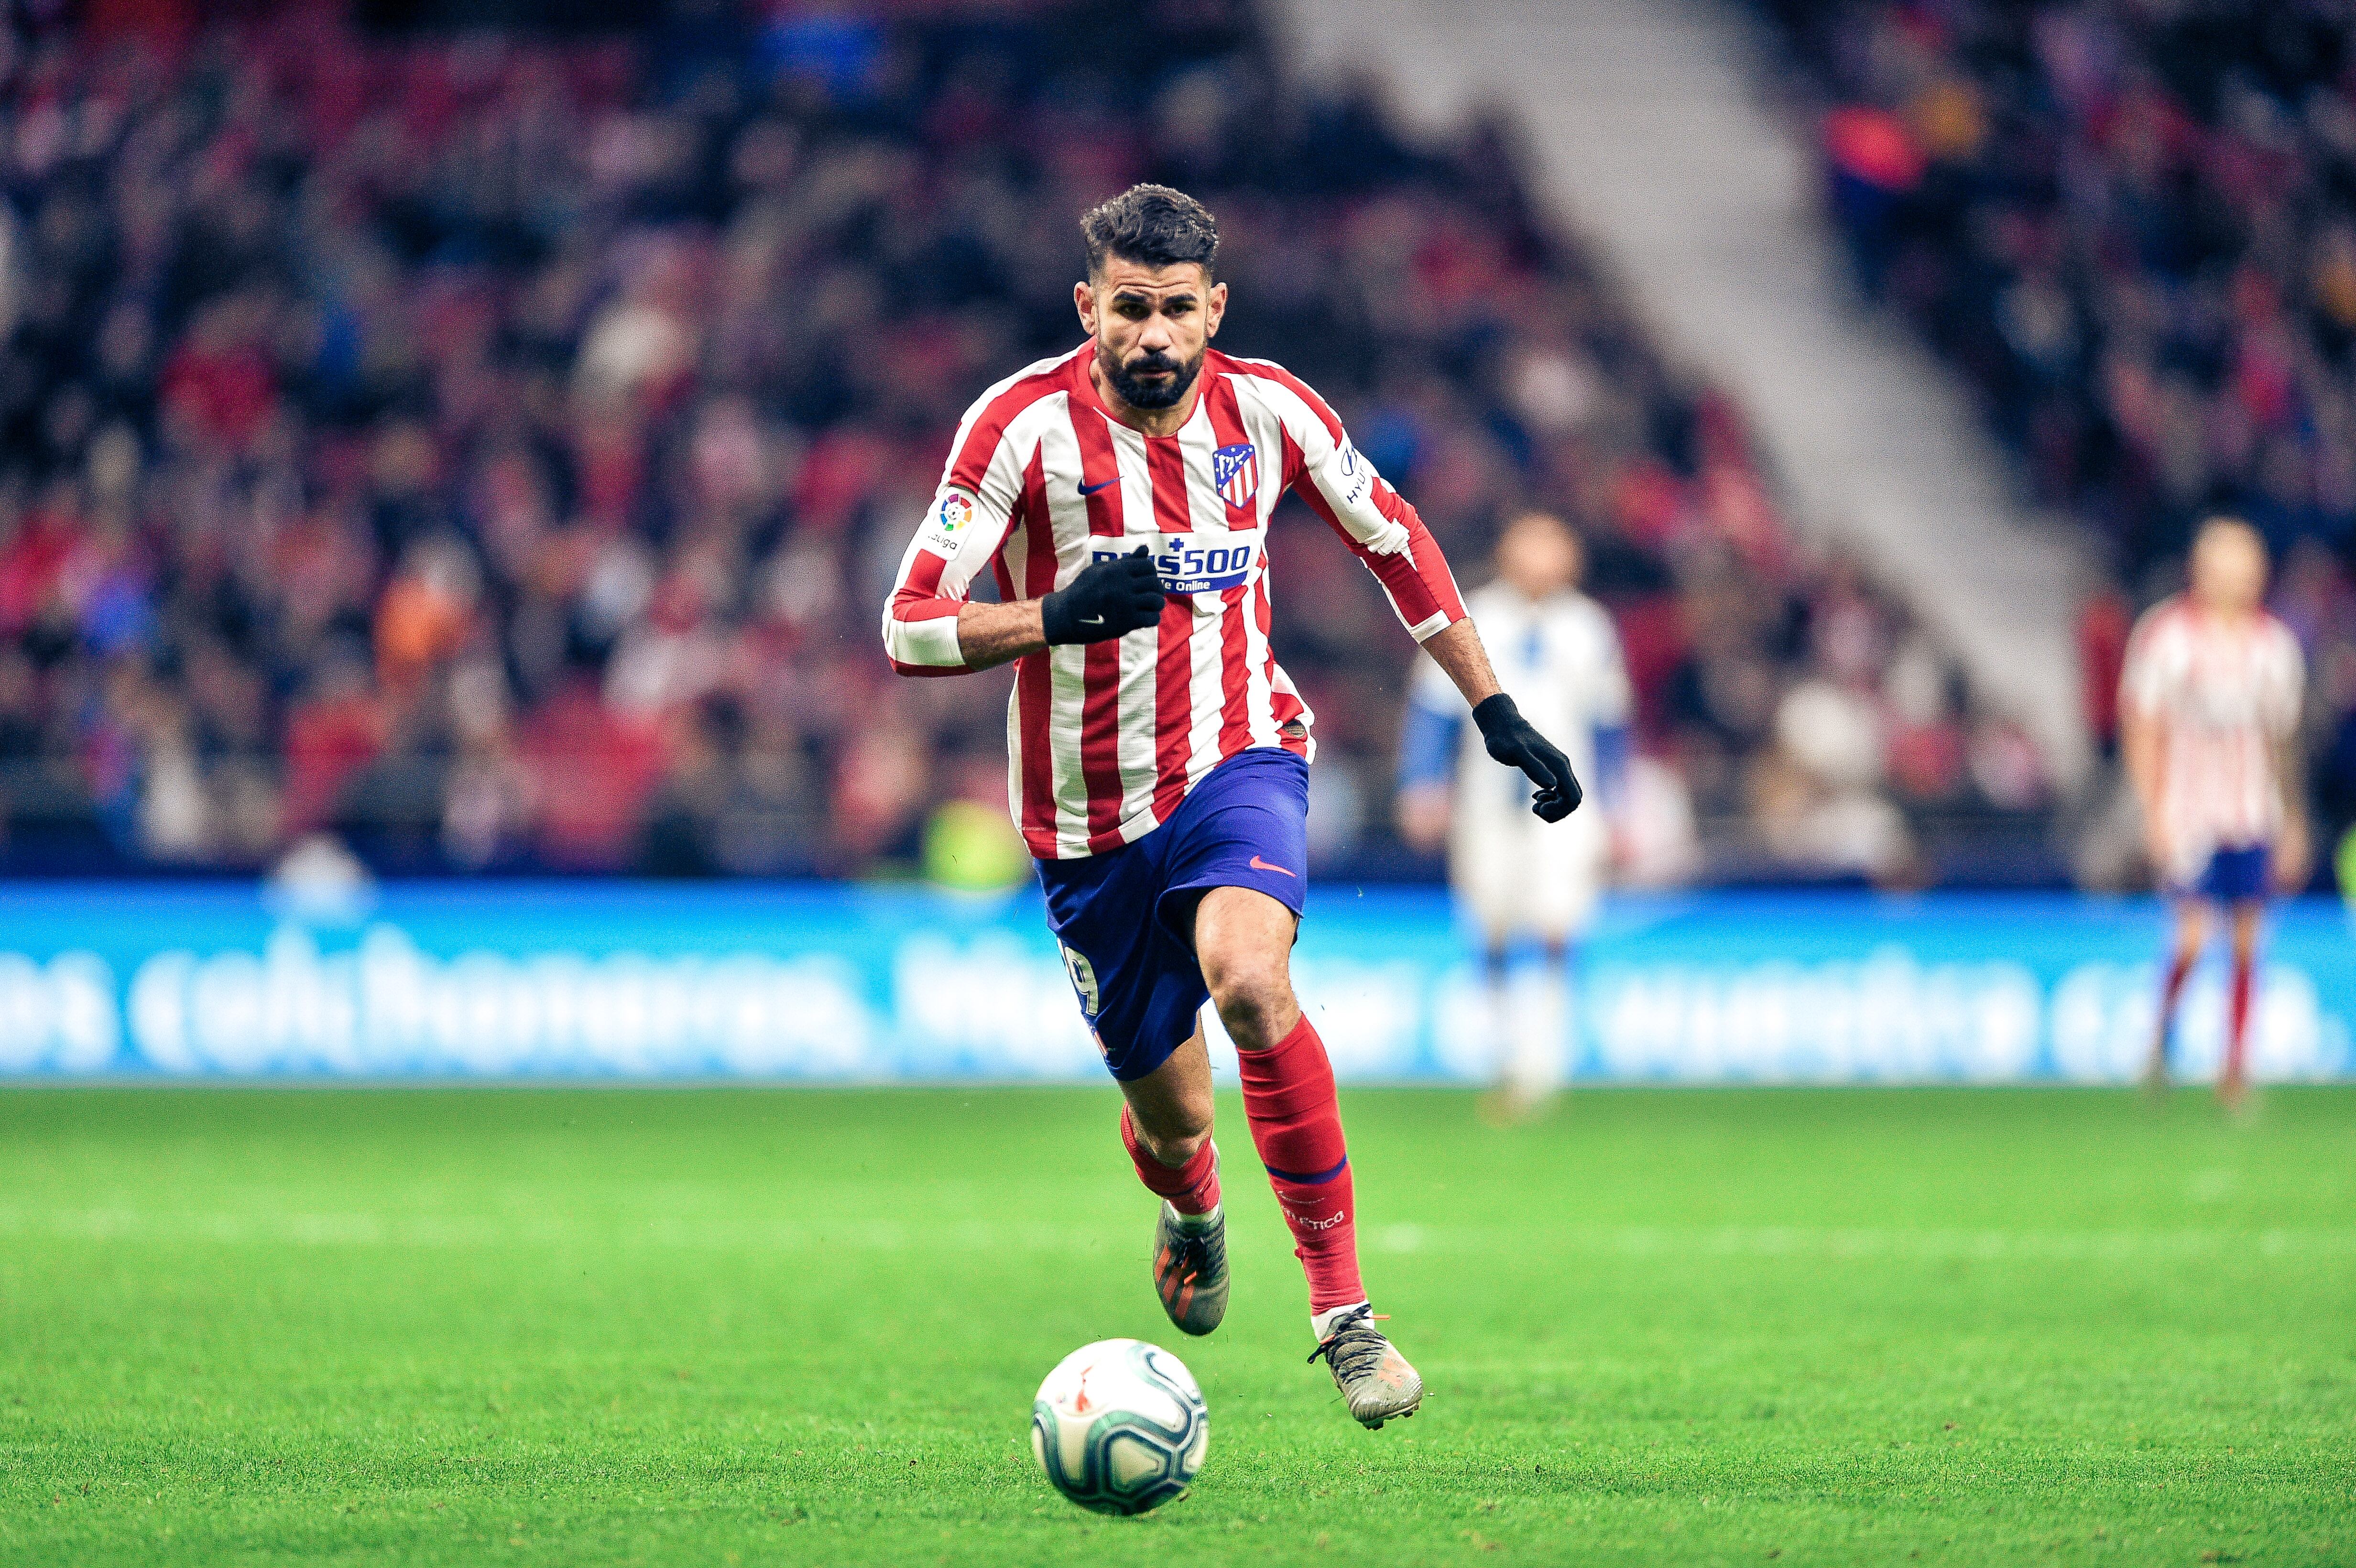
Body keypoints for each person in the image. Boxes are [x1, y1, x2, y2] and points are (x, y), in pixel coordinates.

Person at [881, 185, 1582, 1428]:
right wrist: (1049, 616)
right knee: (1172, 1120)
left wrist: (1492, 706)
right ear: (1089, 308)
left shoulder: (1273, 410)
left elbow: (1397, 539)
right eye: (1130, 310)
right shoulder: (1017, 431)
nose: (1154, 335)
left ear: (1215, 309)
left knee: (1250, 981)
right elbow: (909, 624)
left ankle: (1347, 1319)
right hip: (1084, 824)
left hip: (1238, 758)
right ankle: (1194, 1206)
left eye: (1177, 311)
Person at [1396, 512, 1630, 1114]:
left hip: (1569, 806)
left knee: (1557, 927)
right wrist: (1422, 783)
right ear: (1506, 550)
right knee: (1491, 927)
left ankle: (1544, 1065)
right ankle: (1503, 1056)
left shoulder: (1588, 627)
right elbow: (1432, 710)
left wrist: (1619, 805)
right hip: (1486, 802)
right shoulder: (1472, 617)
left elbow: (1608, 725)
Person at [2120, 517, 2308, 1110]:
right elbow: (2143, 724)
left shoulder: (2274, 647)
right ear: (2201, 568)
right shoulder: (2167, 637)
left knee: (2249, 940)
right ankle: (2161, 1032)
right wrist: (2151, 808)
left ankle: (2234, 1070)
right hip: (2190, 813)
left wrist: (2293, 818)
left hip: (2251, 813)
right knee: (2193, 936)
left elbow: (2283, 740)